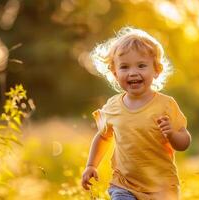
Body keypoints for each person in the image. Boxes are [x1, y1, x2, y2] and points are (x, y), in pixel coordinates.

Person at [81, 27, 191, 200]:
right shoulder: (112, 107)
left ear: (156, 70)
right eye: (124, 67)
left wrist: (172, 133)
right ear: (115, 73)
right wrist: (91, 165)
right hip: (124, 185)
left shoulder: (166, 105)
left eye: (141, 65)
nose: (133, 72)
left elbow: (184, 142)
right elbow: (103, 137)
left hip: (162, 187)